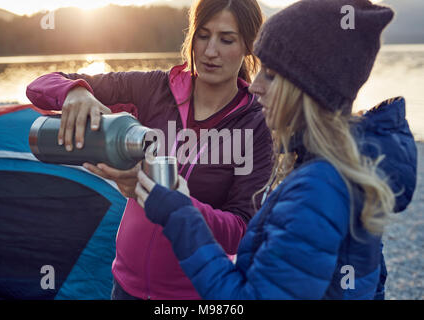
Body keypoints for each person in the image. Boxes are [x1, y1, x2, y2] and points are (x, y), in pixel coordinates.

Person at [135, 0, 418, 299]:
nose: (254, 86)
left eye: (269, 73)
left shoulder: (318, 189)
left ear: (307, 88)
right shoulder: (345, 168)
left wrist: (180, 215)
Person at [26, 0, 273, 299]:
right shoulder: (154, 88)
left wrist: (169, 201)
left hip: (194, 294)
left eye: (227, 39)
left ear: (250, 45)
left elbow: (242, 231)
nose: (210, 51)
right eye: (203, 35)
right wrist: (74, 91)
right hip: (125, 287)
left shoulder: (257, 124)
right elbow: (40, 86)